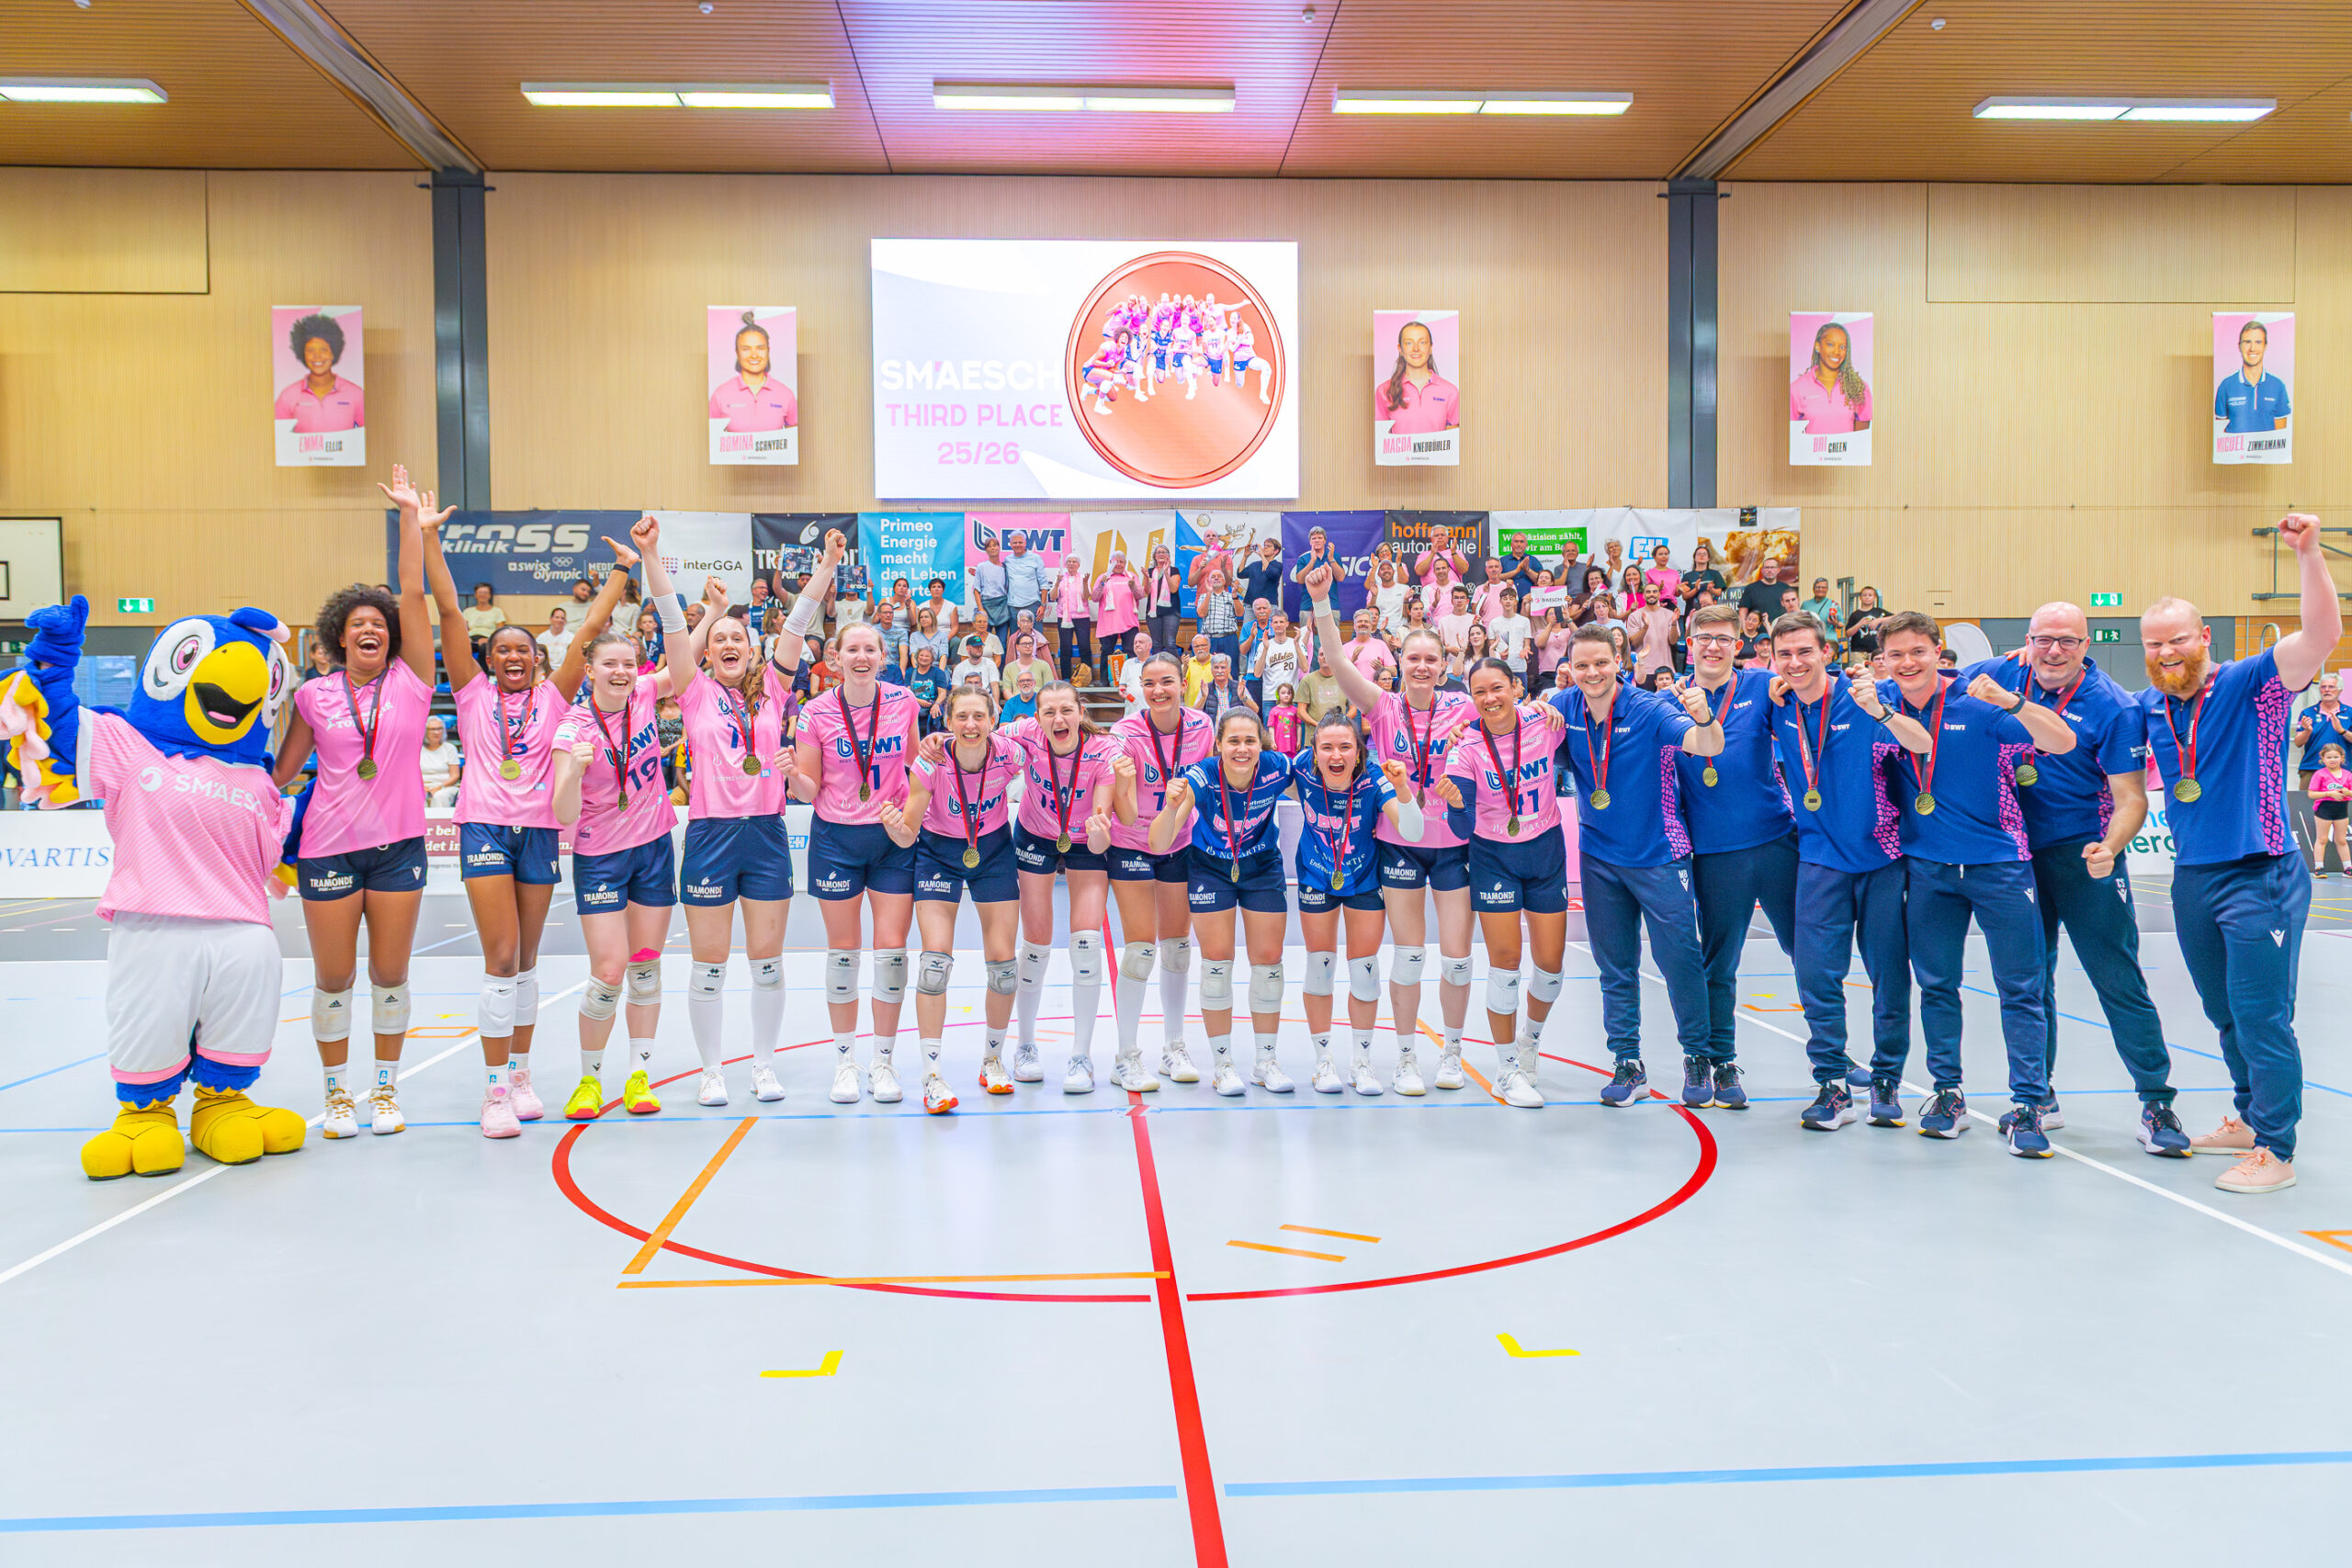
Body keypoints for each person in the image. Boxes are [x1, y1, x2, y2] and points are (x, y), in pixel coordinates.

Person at [2137, 513, 2339, 1192]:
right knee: (2224, 1013)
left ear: (2205, 638)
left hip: (2261, 875)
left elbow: (2322, 636)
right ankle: (2251, 1118)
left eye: (2178, 638)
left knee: (2262, 1017)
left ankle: (2276, 1149)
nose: (2167, 651)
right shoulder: (2149, 707)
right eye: (2154, 643)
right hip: (2192, 878)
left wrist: (2308, 554)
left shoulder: (2255, 682)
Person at [1959, 604, 2188, 1154]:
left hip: (2083, 854)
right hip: (2011, 856)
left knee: (2118, 979)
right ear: (2027, 641)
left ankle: (2157, 1102)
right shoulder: (1997, 672)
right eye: (2043, 639)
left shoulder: (2114, 706)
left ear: (2086, 645)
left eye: (2067, 640)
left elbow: (2131, 797)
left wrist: (2110, 846)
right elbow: (1927, 682)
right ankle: (2038, 1099)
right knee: (2029, 982)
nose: (2054, 651)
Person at [1875, 611, 2077, 1156]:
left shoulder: (1979, 703)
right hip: (1928, 870)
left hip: (2000, 867)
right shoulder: (1881, 704)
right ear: (1883, 661)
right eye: (1896, 654)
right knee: (1937, 985)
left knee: (2022, 989)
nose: (1907, 663)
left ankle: (2030, 1104)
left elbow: (2062, 741)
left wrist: (2012, 701)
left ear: (1938, 652)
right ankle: (1947, 1093)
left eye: (1917, 651)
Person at [276, 468, 438, 1138]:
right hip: (327, 850)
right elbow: (283, 772)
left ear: (390, 636)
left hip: (399, 849)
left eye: (379, 624)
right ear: (338, 638)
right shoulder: (312, 696)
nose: (370, 628)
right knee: (334, 977)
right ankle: (338, 1095)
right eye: (357, 624)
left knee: (390, 975)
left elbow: (412, 592)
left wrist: (409, 519)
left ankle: (385, 1091)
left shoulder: (413, 681)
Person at [674, 537, 836, 1111]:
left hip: (765, 833)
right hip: (710, 835)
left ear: (751, 648)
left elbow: (797, 622)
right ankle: (711, 1071)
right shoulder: (693, 692)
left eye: (737, 638)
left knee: (767, 965)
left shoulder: (772, 687)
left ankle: (763, 1065)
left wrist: (827, 567)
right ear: (707, 651)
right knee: (709, 968)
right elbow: (676, 641)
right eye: (718, 640)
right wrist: (708, 609)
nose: (728, 645)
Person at [1305, 565, 1478, 1090]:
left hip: (1453, 846)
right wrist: (1322, 601)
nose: (1422, 666)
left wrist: (1547, 709)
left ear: (1444, 666)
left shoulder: (1464, 707)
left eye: (1431, 659)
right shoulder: (1383, 707)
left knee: (1458, 960)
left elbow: (1508, 716)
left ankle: (1451, 1055)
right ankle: (1406, 1059)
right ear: (1399, 662)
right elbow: (1337, 661)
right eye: (1413, 658)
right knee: (1408, 956)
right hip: (1400, 845)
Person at [546, 516, 694, 1122]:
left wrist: (702, 607)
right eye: (609, 663)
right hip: (599, 855)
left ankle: (639, 1075)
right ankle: (588, 1080)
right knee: (608, 971)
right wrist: (574, 772)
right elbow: (561, 811)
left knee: (645, 967)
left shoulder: (645, 695)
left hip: (654, 846)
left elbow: (683, 665)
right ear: (590, 669)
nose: (621, 672)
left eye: (629, 663)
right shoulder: (573, 727)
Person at [1544, 627, 1724, 1108]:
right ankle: (1627, 1061)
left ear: (1619, 660)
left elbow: (1707, 744)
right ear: (1569, 668)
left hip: (1659, 854)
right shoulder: (1564, 707)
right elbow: (1514, 734)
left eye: (1601, 663)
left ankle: (1698, 1057)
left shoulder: (1649, 709)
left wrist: (1704, 716)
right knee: (1615, 966)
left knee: (1680, 962)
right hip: (1600, 859)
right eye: (1582, 665)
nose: (1592, 673)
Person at [1765, 611, 1919, 1129]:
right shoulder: (1778, 707)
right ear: (1772, 660)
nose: (1795, 662)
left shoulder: (1870, 696)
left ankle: (1886, 1079)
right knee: (1816, 976)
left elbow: (1927, 711)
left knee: (1889, 978)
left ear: (1827, 652)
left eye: (1804, 651)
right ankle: (1832, 1084)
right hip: (1819, 861)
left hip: (1883, 859)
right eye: (1784, 654)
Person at [1424, 660, 1574, 1107]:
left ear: (1515, 687)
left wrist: (1553, 707)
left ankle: (1530, 1041)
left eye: (1497, 688)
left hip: (1545, 850)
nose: (1490, 699)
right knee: (1506, 964)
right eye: (1479, 692)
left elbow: (1583, 706)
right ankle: (1507, 1069)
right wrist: (1455, 805)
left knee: (1551, 967)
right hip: (1493, 858)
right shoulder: (1465, 747)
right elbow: (1462, 826)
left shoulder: (1544, 721)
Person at [792, 617, 923, 1105]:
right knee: (844, 954)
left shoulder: (904, 701)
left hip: (891, 839)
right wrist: (792, 776)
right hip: (836, 840)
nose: (862, 657)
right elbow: (808, 789)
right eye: (852, 649)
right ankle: (845, 1062)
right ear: (836, 659)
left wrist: (910, 815)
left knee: (891, 953)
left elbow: (916, 767)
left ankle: (883, 1062)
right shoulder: (815, 712)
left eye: (870, 649)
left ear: (883, 658)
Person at [1672, 604, 1798, 1108]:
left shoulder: (1763, 686)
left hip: (1775, 842)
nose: (1714, 646)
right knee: (1719, 964)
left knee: (1808, 953)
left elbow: (1814, 697)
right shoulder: (1668, 700)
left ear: (1738, 645)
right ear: (1689, 643)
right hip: (1714, 853)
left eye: (1724, 638)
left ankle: (1832, 1061)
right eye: (1704, 637)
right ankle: (1717, 1061)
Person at [1148, 709, 1302, 1094]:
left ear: (1261, 743)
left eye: (1250, 740)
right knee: (1216, 965)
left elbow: (1319, 786)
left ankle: (1266, 1062)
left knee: (1269, 964)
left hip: (1261, 866)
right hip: (1211, 868)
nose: (1242, 749)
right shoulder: (1201, 776)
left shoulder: (1277, 767)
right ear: (1218, 744)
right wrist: (1171, 806)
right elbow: (1159, 842)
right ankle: (1223, 1066)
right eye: (1233, 741)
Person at [885, 690, 1023, 1107]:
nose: (970, 725)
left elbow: (1050, 739)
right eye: (961, 716)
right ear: (948, 720)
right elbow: (908, 832)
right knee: (934, 965)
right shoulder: (931, 761)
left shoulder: (1010, 753)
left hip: (993, 850)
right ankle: (932, 1075)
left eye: (979, 716)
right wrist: (894, 827)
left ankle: (992, 1061)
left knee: (1004, 968)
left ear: (993, 720)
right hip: (938, 853)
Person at [1001, 683, 1138, 1090]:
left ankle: (1081, 1056)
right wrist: (940, 743)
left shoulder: (1105, 752)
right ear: (1037, 717)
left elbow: (1101, 841)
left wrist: (1098, 833)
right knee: (1036, 943)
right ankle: (1025, 1046)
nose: (1058, 719)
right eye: (1049, 712)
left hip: (1085, 841)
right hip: (1034, 834)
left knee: (1086, 944)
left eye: (1066, 710)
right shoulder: (1024, 732)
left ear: (1081, 712)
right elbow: (980, 740)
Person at [1289, 714, 1424, 1093]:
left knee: (1365, 973)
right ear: (1314, 753)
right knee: (1320, 968)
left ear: (1359, 753)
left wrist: (1402, 789)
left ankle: (1361, 1063)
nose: (1336, 755)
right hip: (1317, 876)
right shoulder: (1299, 769)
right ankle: (1323, 1062)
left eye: (1345, 747)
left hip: (1363, 878)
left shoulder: (1373, 779)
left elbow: (1413, 831)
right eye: (1327, 747)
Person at [1108, 652, 1215, 1082]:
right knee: (1140, 950)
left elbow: (1205, 784)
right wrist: (1124, 780)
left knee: (1176, 947)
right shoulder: (1125, 732)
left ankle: (1174, 1047)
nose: (1158, 691)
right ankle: (1125, 1055)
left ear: (1182, 683)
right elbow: (1123, 804)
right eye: (1149, 683)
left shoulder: (1202, 726)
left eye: (1167, 681)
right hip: (1131, 843)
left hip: (1179, 842)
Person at [274, 311, 365, 433]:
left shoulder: (356, 394)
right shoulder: (288, 396)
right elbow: (280, 437)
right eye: (310, 350)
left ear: (333, 353)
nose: (317, 356)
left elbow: (366, 435)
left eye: (323, 349)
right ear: (302, 354)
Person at [709, 310, 797, 431]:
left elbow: (793, 439)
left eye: (760, 348)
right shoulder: (720, 395)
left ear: (768, 351)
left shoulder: (786, 395)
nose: (754, 355)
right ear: (737, 352)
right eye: (746, 349)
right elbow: (713, 438)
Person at [1374, 319, 1459, 435]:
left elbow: (1452, 442)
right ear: (1400, 349)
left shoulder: (1450, 391)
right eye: (1409, 343)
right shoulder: (1384, 391)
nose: (1416, 348)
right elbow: (1381, 440)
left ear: (1430, 348)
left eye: (1422, 342)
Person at [1791, 320, 1871, 434]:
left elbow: (1860, 440)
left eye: (1842, 347)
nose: (1837, 352)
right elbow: (1795, 439)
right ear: (1818, 346)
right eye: (1830, 344)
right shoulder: (1796, 389)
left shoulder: (1860, 389)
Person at [2213, 318, 2290, 435]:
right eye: (2247, 342)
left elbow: (2280, 436)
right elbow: (2220, 434)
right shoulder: (2226, 386)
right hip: (2236, 448)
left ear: (2265, 346)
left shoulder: (2278, 386)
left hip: (2265, 448)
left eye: (2258, 342)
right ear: (2239, 346)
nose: (2252, 348)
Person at [2293, 671, 2348, 784]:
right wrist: (2307, 731)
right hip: (2311, 768)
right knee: (2306, 797)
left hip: (2343, 770)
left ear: (2340, 690)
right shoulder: (2308, 713)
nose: (2327, 690)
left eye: (2331, 687)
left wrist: (2342, 731)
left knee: (2342, 797)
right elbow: (2298, 743)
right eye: (2323, 687)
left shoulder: (2350, 713)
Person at [1093, 552, 1141, 672]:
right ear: (1110, 563)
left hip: (1129, 622)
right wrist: (1101, 585)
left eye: (1121, 562)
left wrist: (1133, 587)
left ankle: (1131, 678)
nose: (1118, 564)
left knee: (1130, 651)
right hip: (1108, 623)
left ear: (1125, 563)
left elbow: (1140, 595)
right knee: (1107, 651)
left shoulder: (1132, 576)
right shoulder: (1103, 577)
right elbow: (1094, 598)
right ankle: (1104, 681)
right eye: (1116, 562)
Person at [1051, 556, 1094, 680]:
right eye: (1069, 562)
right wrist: (1057, 584)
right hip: (1064, 618)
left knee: (1085, 647)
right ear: (1065, 564)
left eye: (1074, 562)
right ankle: (1066, 678)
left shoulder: (1083, 578)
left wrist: (1085, 583)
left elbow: (1086, 597)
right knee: (1065, 648)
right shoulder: (1060, 578)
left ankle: (1086, 678)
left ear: (1078, 565)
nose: (1071, 564)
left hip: (1082, 617)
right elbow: (1053, 597)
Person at [2311, 745, 2351, 874]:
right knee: (2322, 839)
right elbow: (2311, 794)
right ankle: (2319, 867)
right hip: (2324, 809)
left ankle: (2348, 868)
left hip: (2341, 810)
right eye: (2329, 757)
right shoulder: (2320, 774)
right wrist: (2328, 794)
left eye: (2335, 757)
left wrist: (2348, 792)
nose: (2332, 760)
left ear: (2342, 758)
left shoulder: (2348, 775)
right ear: (2323, 759)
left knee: (2341, 840)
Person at [1625, 590, 1679, 684]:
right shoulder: (1635, 615)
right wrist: (1645, 627)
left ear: (1659, 594)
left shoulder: (1670, 614)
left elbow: (1673, 641)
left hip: (1665, 669)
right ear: (1643, 595)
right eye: (1648, 592)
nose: (1651, 594)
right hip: (1644, 669)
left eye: (1654, 591)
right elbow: (1634, 643)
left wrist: (1674, 623)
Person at [1196, 564, 1242, 673]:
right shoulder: (1203, 597)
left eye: (1219, 576)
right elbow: (1201, 614)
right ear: (1209, 581)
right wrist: (1209, 593)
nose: (1216, 578)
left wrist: (1234, 595)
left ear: (1224, 581)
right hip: (1210, 639)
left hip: (1229, 639)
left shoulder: (1231, 596)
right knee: (1209, 672)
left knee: (1232, 671)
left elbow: (1240, 613)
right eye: (1213, 577)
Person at [1002, 531, 1047, 631]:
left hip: (1033, 605)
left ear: (1025, 543)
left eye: (1020, 542)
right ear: (1011, 544)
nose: (1017, 545)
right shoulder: (1007, 560)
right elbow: (999, 575)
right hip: (1013, 607)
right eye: (1015, 543)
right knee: (1015, 637)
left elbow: (1044, 584)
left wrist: (1043, 605)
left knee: (1036, 636)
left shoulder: (1036, 558)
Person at [1144, 544, 1184, 652]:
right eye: (1159, 552)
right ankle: (1157, 664)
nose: (1161, 554)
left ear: (1168, 556)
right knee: (1157, 644)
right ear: (1155, 556)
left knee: (1170, 643)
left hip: (1171, 612)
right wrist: (1147, 579)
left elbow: (1173, 589)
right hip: (1153, 613)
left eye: (1164, 552)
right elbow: (1147, 592)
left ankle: (1175, 664)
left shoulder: (1174, 570)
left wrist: (1165, 572)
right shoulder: (1150, 571)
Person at [969, 535, 1011, 637]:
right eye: (989, 546)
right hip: (986, 607)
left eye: (995, 545)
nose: (992, 548)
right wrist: (981, 609)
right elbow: (976, 590)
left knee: (1002, 642)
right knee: (983, 640)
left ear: (999, 547)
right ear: (986, 550)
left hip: (1002, 608)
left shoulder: (1006, 567)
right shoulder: (981, 567)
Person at [418, 716, 463, 808]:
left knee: (439, 796)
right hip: (422, 787)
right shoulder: (418, 749)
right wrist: (423, 788)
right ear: (425, 731)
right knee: (419, 796)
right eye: (432, 729)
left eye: (439, 729)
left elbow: (455, 776)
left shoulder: (450, 748)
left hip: (446, 787)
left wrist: (439, 787)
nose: (437, 732)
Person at [1198, 652, 1254, 723]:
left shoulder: (1238, 687)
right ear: (1211, 670)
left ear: (1229, 669)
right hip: (1214, 729)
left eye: (1223, 667)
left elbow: (1255, 710)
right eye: (1216, 667)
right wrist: (1203, 697)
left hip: (1234, 729)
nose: (1219, 671)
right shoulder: (1206, 688)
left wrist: (1243, 698)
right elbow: (1194, 713)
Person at [1236, 536, 1283, 616]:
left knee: (1268, 625)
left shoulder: (1278, 565)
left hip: (1269, 605)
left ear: (1276, 551)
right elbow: (1240, 574)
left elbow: (1270, 573)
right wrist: (1245, 556)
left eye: (1269, 546)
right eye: (1265, 545)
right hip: (1251, 606)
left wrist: (1262, 555)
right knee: (1249, 625)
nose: (1265, 547)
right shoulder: (1255, 565)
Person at [460, 583, 507, 660]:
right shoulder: (468, 611)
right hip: (471, 638)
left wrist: (489, 640)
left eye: (485, 592)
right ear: (475, 595)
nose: (483, 595)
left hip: (488, 639)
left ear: (490, 595)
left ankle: (483, 668)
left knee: (484, 648)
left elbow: (500, 632)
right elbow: (463, 630)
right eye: (480, 592)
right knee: (462, 647)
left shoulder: (497, 611)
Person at [1495, 532, 1542, 601]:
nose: (1519, 544)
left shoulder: (1533, 560)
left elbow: (1541, 581)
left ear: (1526, 545)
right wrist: (1516, 571)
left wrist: (1527, 570)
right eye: (1516, 541)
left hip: (1529, 600)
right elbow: (1496, 578)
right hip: (1508, 601)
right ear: (1511, 544)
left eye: (1521, 542)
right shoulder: (1503, 561)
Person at [1843, 585, 1887, 658]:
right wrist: (1859, 624)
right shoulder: (1855, 614)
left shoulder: (1879, 611)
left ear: (1874, 597)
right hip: (1858, 652)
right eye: (1864, 595)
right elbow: (1848, 633)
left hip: (1876, 651)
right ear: (1860, 597)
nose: (1867, 597)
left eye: (1870, 595)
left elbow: (1896, 618)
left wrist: (1879, 620)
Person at [1679, 543, 1726, 607]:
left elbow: (1719, 593)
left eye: (1704, 554)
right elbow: (1684, 597)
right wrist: (1696, 589)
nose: (1702, 555)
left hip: (1711, 610)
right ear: (1694, 558)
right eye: (1699, 554)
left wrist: (1711, 589)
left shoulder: (1715, 573)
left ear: (1708, 558)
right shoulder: (1687, 576)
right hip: (1692, 610)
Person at [1266, 684, 1302, 755]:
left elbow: (1298, 726)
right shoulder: (1274, 711)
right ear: (1278, 695)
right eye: (1283, 693)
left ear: (1292, 695)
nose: (1286, 695)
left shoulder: (1295, 710)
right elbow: (1271, 728)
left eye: (1289, 693)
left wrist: (1299, 741)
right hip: (1279, 745)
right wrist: (1272, 742)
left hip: (1292, 744)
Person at [537, 605, 573, 670]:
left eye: (562, 618)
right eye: (557, 617)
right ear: (551, 619)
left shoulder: (571, 637)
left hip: (564, 670)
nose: (560, 620)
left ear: (565, 621)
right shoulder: (541, 638)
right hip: (546, 670)